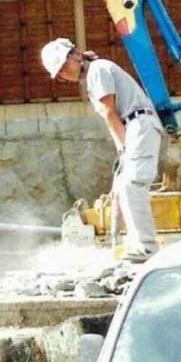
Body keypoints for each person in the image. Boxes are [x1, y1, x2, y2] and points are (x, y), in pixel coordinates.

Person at [40, 38, 163, 263]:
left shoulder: (98, 70)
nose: (65, 73)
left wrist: (123, 148)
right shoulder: (96, 72)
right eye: (60, 72)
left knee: (131, 185)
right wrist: (123, 149)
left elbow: (109, 112)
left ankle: (145, 247)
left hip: (139, 125)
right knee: (121, 189)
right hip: (135, 126)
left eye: (65, 66)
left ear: (75, 55)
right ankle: (129, 245)